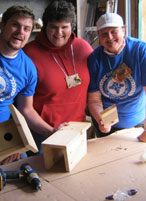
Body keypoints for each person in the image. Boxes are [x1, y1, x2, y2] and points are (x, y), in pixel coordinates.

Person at [0, 5, 66, 157]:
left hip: (4, 139)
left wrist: (52, 132)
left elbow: (26, 110)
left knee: (26, 170)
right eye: (15, 25)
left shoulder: (28, 68)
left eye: (26, 28)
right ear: (2, 25)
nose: (20, 32)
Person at [23, 0, 93, 152]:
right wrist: (51, 132)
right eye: (53, 27)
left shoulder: (83, 48)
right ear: (45, 26)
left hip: (78, 131)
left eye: (64, 27)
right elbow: (23, 108)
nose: (59, 33)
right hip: (43, 135)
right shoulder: (28, 54)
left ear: (71, 27)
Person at [87, 13, 146, 143]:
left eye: (114, 31)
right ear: (98, 36)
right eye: (104, 34)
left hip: (139, 125)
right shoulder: (94, 58)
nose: (109, 38)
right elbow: (94, 99)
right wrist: (102, 120)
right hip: (108, 126)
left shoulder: (141, 50)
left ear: (123, 30)